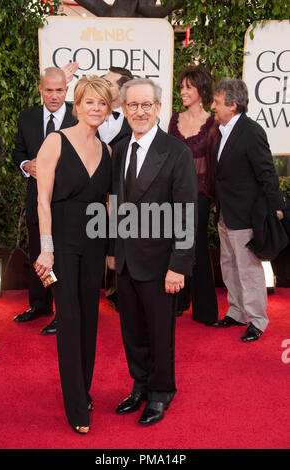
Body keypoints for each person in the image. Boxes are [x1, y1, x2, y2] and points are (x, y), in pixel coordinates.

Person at [107, 78, 197, 426]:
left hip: (162, 264)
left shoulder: (176, 152)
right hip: (127, 260)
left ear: (159, 108)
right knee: (132, 331)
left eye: (147, 105)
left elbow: (187, 212)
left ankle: (161, 393)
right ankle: (140, 385)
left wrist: (179, 264)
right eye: (133, 105)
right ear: (124, 109)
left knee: (161, 334)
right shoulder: (118, 149)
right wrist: (113, 250)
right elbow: (116, 205)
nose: (140, 111)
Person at [34, 75, 112, 433]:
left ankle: (83, 387)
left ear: (108, 109)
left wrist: (113, 249)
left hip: (94, 244)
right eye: (89, 102)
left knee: (90, 319)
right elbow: (43, 200)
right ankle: (76, 405)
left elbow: (108, 205)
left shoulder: (107, 151)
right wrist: (46, 250)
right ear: (77, 105)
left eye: (102, 103)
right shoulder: (56, 141)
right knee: (69, 319)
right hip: (62, 244)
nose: (96, 109)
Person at [209, 78, 285, 342]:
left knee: (248, 268)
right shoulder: (221, 130)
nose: (212, 107)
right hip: (225, 212)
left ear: (232, 104)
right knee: (229, 265)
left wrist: (278, 206)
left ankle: (257, 320)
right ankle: (237, 311)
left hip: (245, 213)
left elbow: (267, 172)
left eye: (217, 102)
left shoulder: (251, 131)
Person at [12, 66, 77, 335]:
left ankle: (65, 312)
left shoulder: (78, 115)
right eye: (48, 90)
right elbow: (18, 151)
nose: (54, 95)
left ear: (67, 89)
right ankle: (40, 304)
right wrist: (27, 165)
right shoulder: (27, 117)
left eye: (59, 90)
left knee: (62, 256)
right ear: (40, 90)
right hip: (36, 199)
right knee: (39, 251)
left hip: (68, 201)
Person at [168, 65, 219, 323]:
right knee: (176, 244)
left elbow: (213, 163)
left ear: (202, 90)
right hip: (174, 193)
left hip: (199, 194)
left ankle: (205, 309)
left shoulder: (212, 123)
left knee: (195, 247)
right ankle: (180, 300)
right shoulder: (174, 119)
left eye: (188, 87)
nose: (183, 92)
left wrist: (213, 198)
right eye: (181, 87)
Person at [98, 66, 133, 310]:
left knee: (120, 240)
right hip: (89, 194)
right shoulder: (89, 112)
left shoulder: (136, 119)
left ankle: (120, 294)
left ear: (122, 89)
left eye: (109, 83)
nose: (104, 85)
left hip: (123, 195)